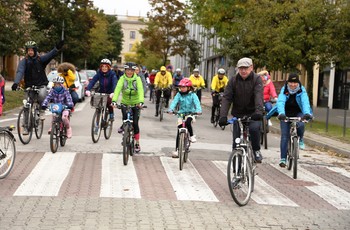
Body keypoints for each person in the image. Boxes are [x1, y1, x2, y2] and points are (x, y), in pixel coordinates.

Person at [219, 57, 264, 163]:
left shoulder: (256, 79)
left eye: (246, 68)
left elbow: (258, 96)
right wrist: (223, 116)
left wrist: (258, 112)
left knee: (254, 129)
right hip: (238, 114)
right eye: (241, 68)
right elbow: (226, 98)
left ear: (251, 67)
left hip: (253, 113)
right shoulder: (233, 80)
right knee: (236, 142)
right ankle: (236, 170)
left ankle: (256, 150)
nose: (243, 71)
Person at [11, 40, 64, 123]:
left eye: (32, 50)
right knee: (26, 104)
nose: (30, 52)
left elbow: (50, 55)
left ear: (35, 50)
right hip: (29, 85)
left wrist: (56, 48)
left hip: (41, 84)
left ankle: (41, 110)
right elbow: (20, 71)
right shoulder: (24, 61)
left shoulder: (40, 59)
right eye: (28, 50)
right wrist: (16, 82)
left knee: (42, 95)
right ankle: (25, 125)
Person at [267, 73, 313, 167]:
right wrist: (281, 114)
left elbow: (305, 103)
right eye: (291, 82)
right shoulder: (284, 90)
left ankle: (300, 139)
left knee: (301, 124)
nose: (293, 84)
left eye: (295, 82)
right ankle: (283, 159)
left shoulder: (302, 91)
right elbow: (281, 102)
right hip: (286, 113)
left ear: (298, 83)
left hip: (298, 112)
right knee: (285, 136)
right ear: (288, 82)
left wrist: (307, 113)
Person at [112, 62, 144, 153]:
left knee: (135, 124)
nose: (129, 72)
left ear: (134, 71)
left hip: (136, 103)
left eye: (131, 70)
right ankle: (125, 133)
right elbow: (117, 89)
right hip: (125, 102)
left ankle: (137, 143)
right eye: (128, 70)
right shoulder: (122, 79)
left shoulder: (137, 79)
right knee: (125, 119)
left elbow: (141, 90)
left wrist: (141, 102)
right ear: (125, 70)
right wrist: (114, 100)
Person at [167, 78, 202, 158]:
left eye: (184, 87)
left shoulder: (193, 94)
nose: (182, 89)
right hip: (181, 114)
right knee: (179, 130)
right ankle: (176, 150)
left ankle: (192, 136)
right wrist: (171, 109)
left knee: (188, 122)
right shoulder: (179, 94)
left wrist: (198, 110)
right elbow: (174, 102)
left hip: (190, 113)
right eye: (181, 87)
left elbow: (197, 103)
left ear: (189, 87)